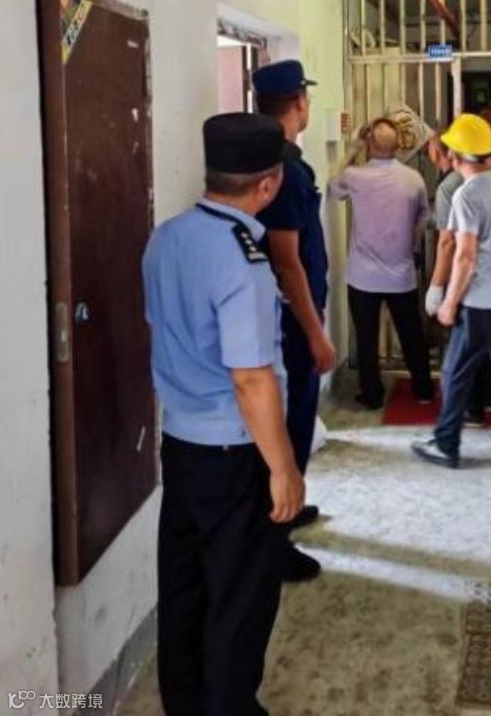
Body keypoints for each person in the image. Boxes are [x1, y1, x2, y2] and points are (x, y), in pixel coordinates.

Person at [143, 112, 303, 716]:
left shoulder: (167, 237)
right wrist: (283, 468)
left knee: (184, 586)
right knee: (239, 598)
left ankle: (186, 703)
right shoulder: (245, 261)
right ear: (268, 184)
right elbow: (250, 377)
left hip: (182, 443)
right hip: (236, 454)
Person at [411, 113, 491, 468]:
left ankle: (446, 443)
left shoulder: (466, 194)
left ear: (455, 155)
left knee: (455, 370)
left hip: (480, 300)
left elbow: (464, 255)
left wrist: (449, 301)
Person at [254, 59, 336, 582]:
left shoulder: (271, 160)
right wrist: (315, 333)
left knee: (293, 424)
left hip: (283, 318)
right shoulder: (285, 169)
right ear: (300, 102)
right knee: (290, 426)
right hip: (290, 324)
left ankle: (289, 504)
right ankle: (274, 539)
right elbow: (287, 262)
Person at [327, 117, 434, 408]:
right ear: (398, 145)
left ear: (370, 143)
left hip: (363, 276)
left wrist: (352, 150)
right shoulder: (413, 179)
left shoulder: (355, 176)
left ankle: (372, 394)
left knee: (366, 338)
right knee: (411, 334)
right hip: (401, 274)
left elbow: (332, 187)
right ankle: (424, 389)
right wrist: (409, 243)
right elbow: (424, 217)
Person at [424, 131, 491, 426]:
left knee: (460, 352)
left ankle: (466, 411)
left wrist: (437, 287)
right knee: (488, 347)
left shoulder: (449, 187)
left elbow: (448, 243)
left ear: (437, 152)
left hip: (464, 278)